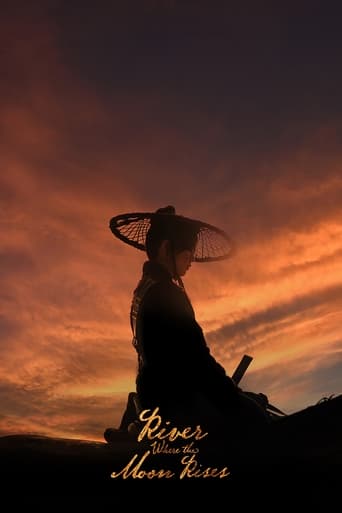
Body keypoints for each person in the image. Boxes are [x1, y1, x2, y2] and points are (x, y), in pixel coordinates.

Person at [107, 206, 270, 444]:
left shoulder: (144, 289)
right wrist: (233, 398)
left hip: (153, 396)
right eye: (186, 255)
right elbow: (198, 362)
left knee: (254, 401)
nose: (191, 262)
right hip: (175, 405)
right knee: (257, 417)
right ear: (166, 249)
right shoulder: (167, 293)